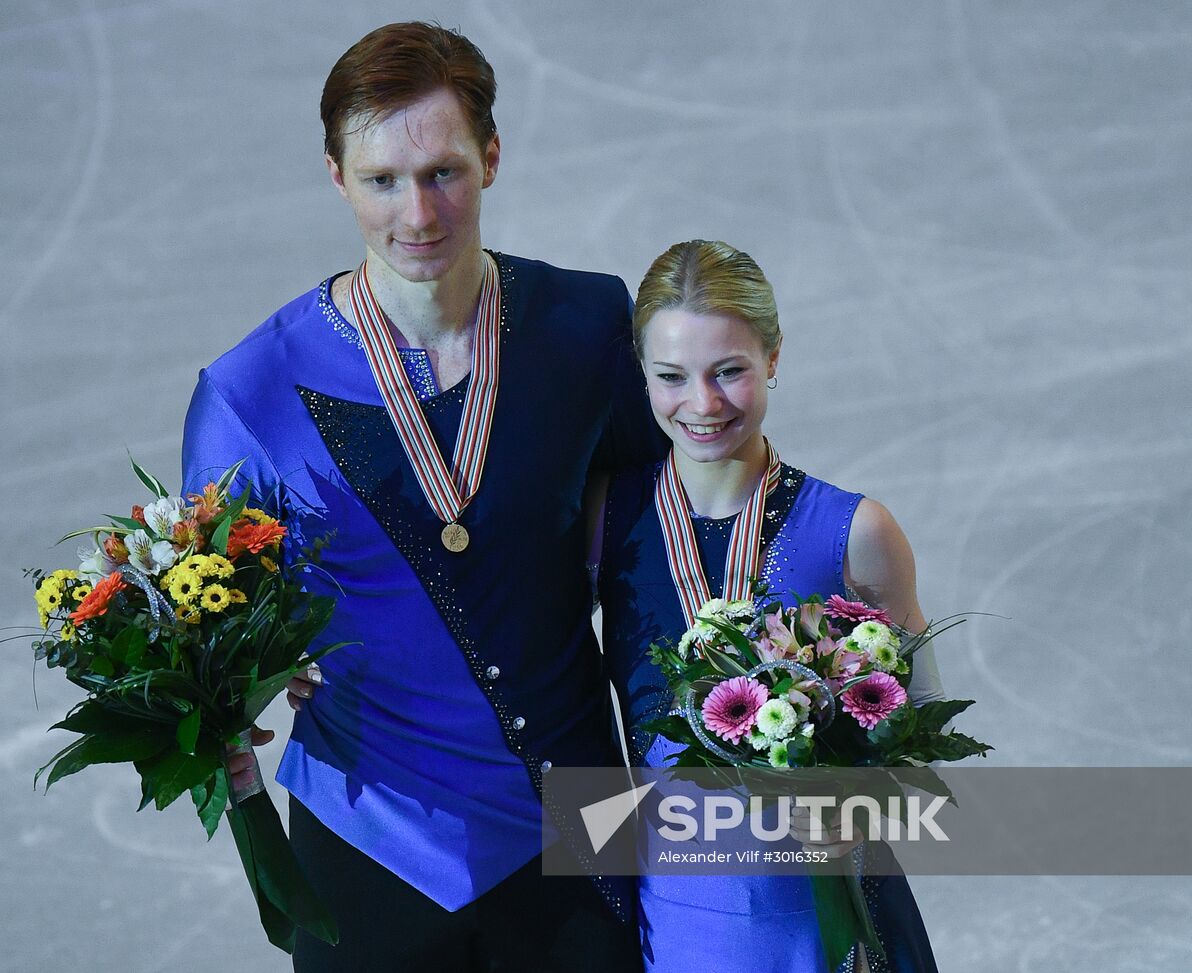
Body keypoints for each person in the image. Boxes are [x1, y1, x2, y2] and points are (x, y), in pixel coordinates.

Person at [181, 22, 663, 972]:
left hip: (581, 815)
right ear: (336, 176)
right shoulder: (250, 393)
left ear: (492, 157)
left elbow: (657, 555)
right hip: (369, 833)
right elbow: (210, 627)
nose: (419, 213)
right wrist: (244, 686)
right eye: (382, 181)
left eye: (444, 172)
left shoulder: (587, 326)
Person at [594, 240, 944, 972]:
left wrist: (862, 803)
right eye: (672, 376)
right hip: (675, 922)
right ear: (641, 374)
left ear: (774, 357)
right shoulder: (605, 520)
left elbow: (921, 722)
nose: (703, 404)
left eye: (729, 371)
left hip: (826, 920)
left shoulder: (855, 532)